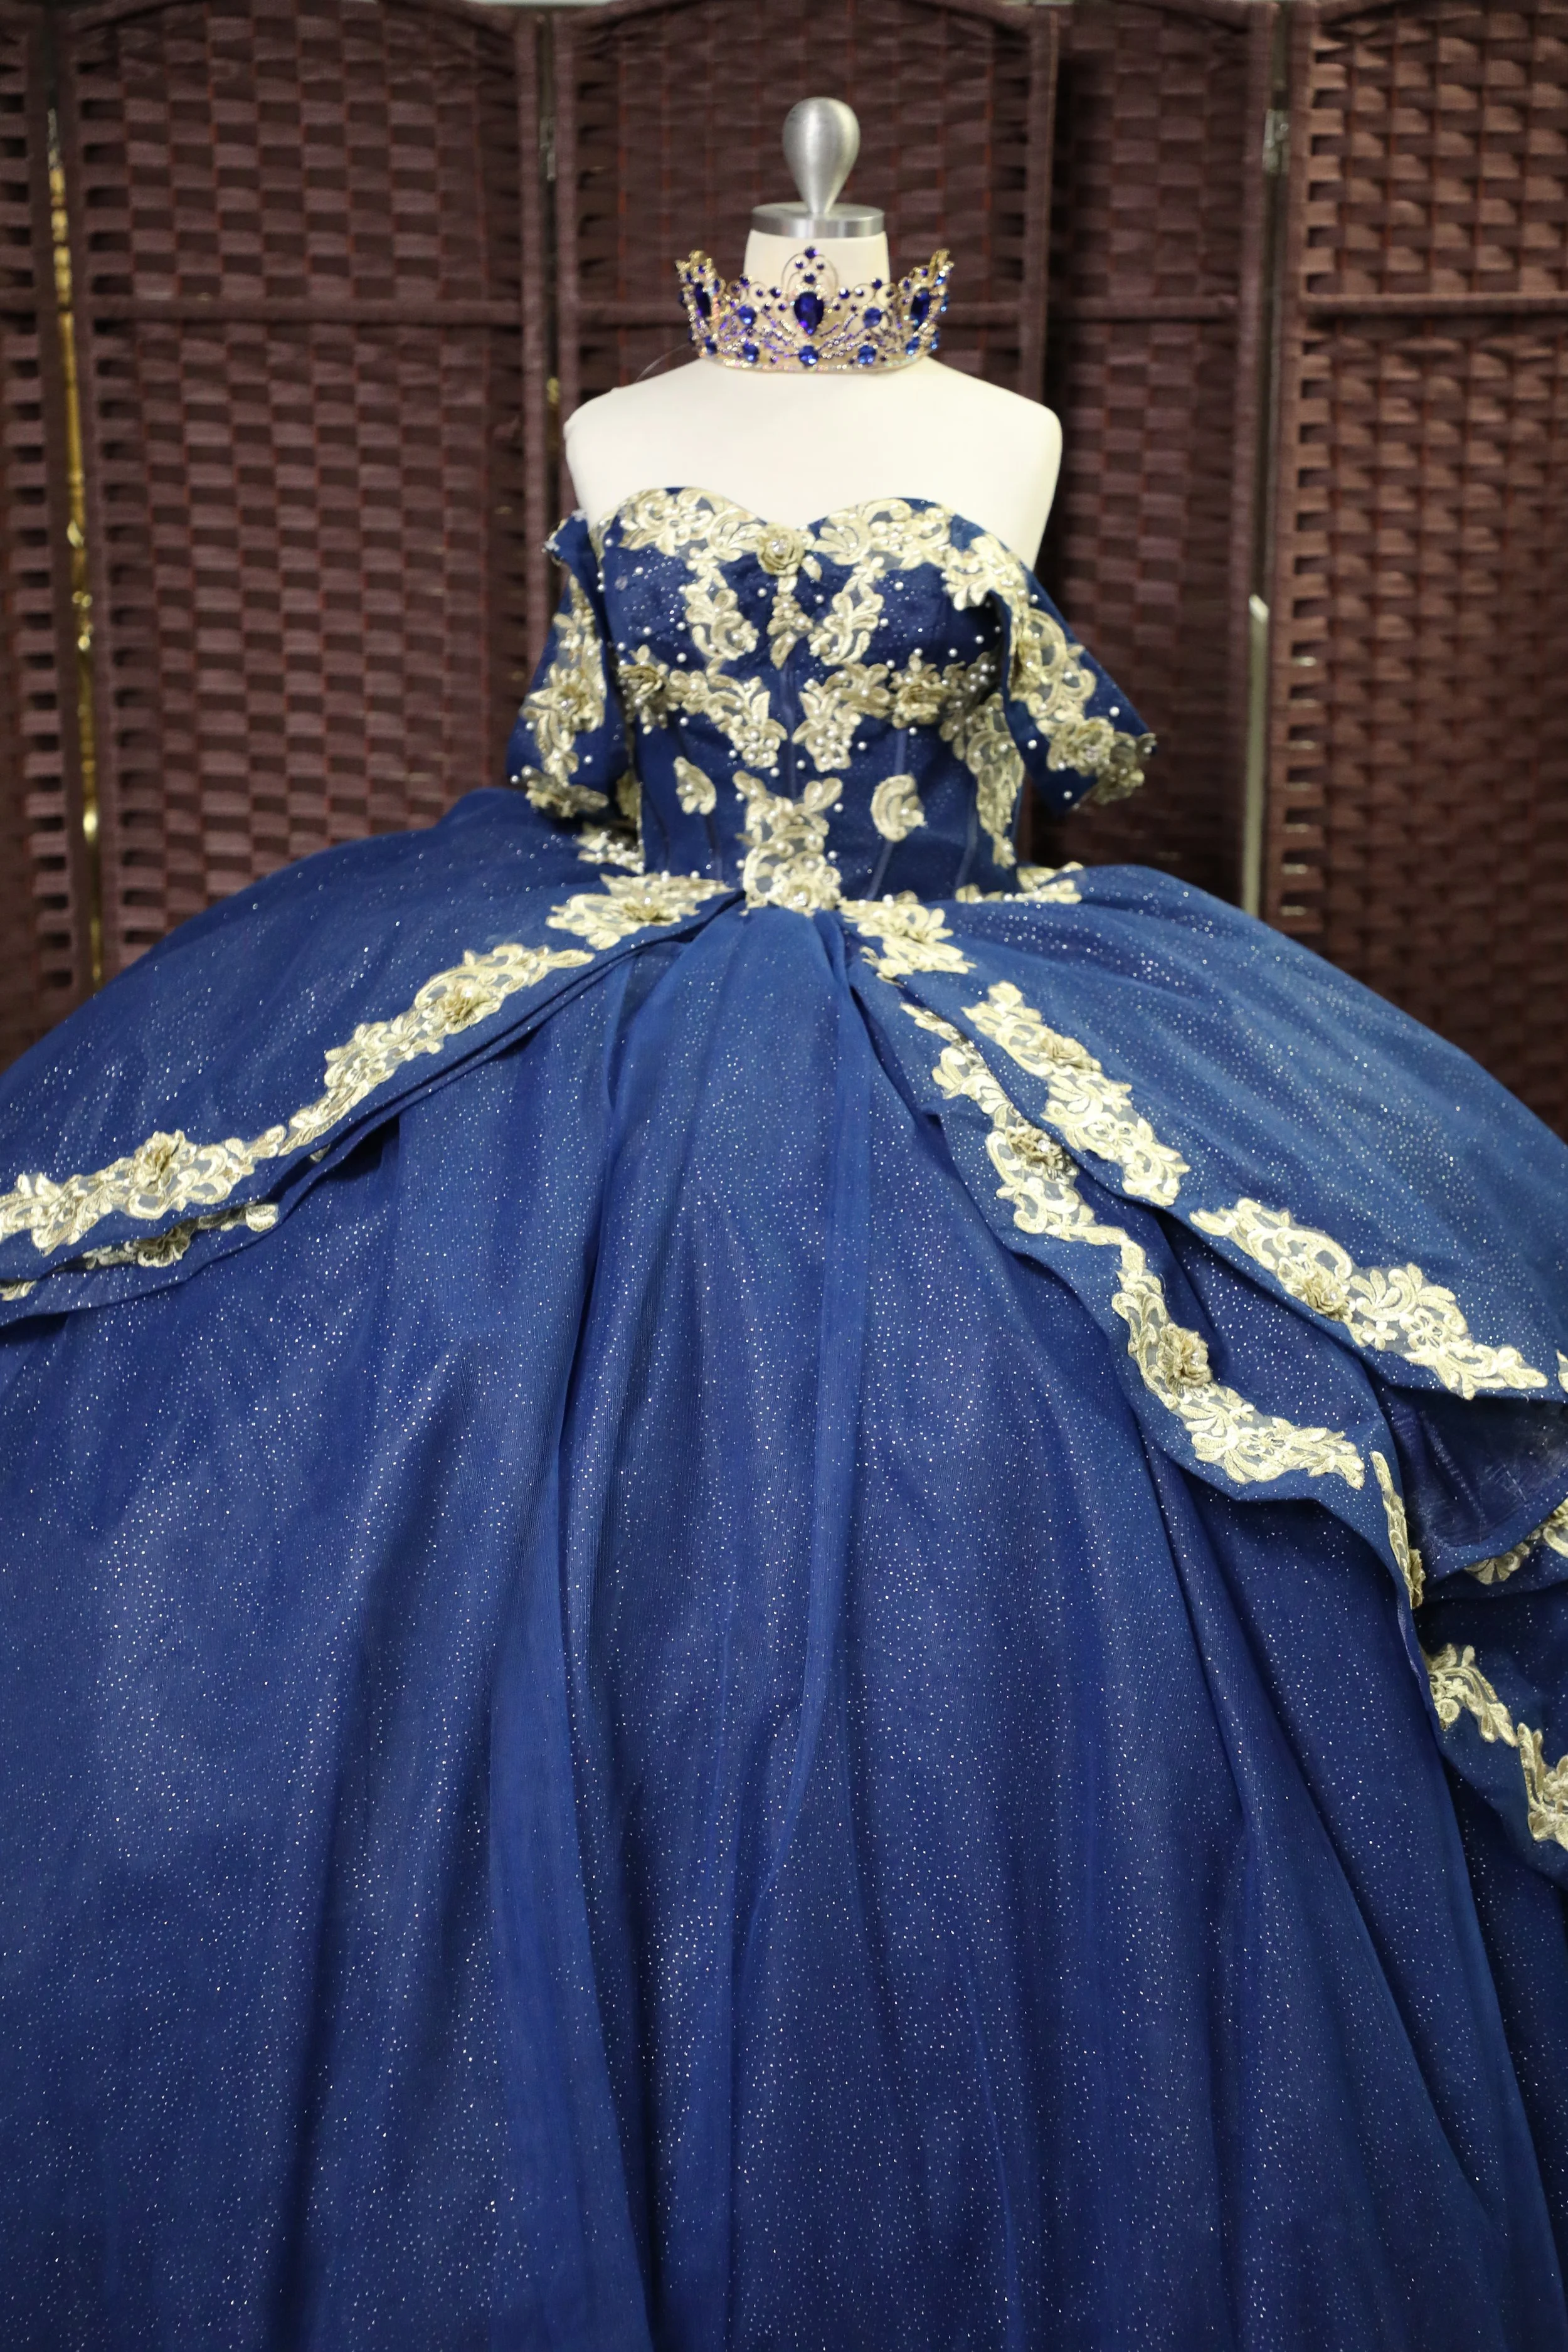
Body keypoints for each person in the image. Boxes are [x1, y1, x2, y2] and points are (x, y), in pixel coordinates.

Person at [4, 103, 1568, 2352]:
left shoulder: (1002, 431)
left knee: (1055, 1532)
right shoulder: (619, 422)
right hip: (621, 1001)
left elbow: (1007, 784)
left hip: (952, 1004)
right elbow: (579, 773)